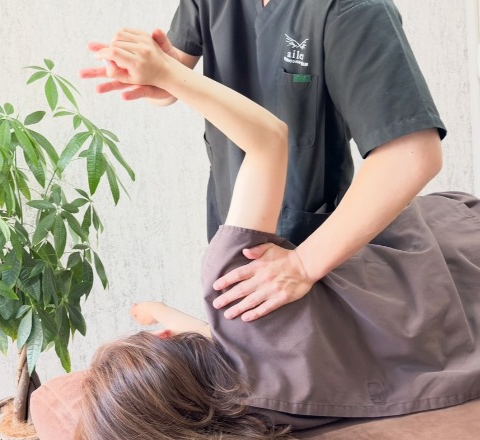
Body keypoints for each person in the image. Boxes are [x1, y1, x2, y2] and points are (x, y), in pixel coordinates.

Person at [30, 30, 480, 440]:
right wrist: (169, 75)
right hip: (451, 247)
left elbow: (234, 355)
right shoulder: (233, 284)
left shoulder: (260, 416)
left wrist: (163, 314)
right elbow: (269, 138)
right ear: (166, 345)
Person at [79, 0, 447, 323]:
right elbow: (172, 78)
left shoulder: (350, 8)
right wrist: (160, 73)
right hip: (230, 221)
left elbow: (412, 154)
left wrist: (302, 265)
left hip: (305, 246)